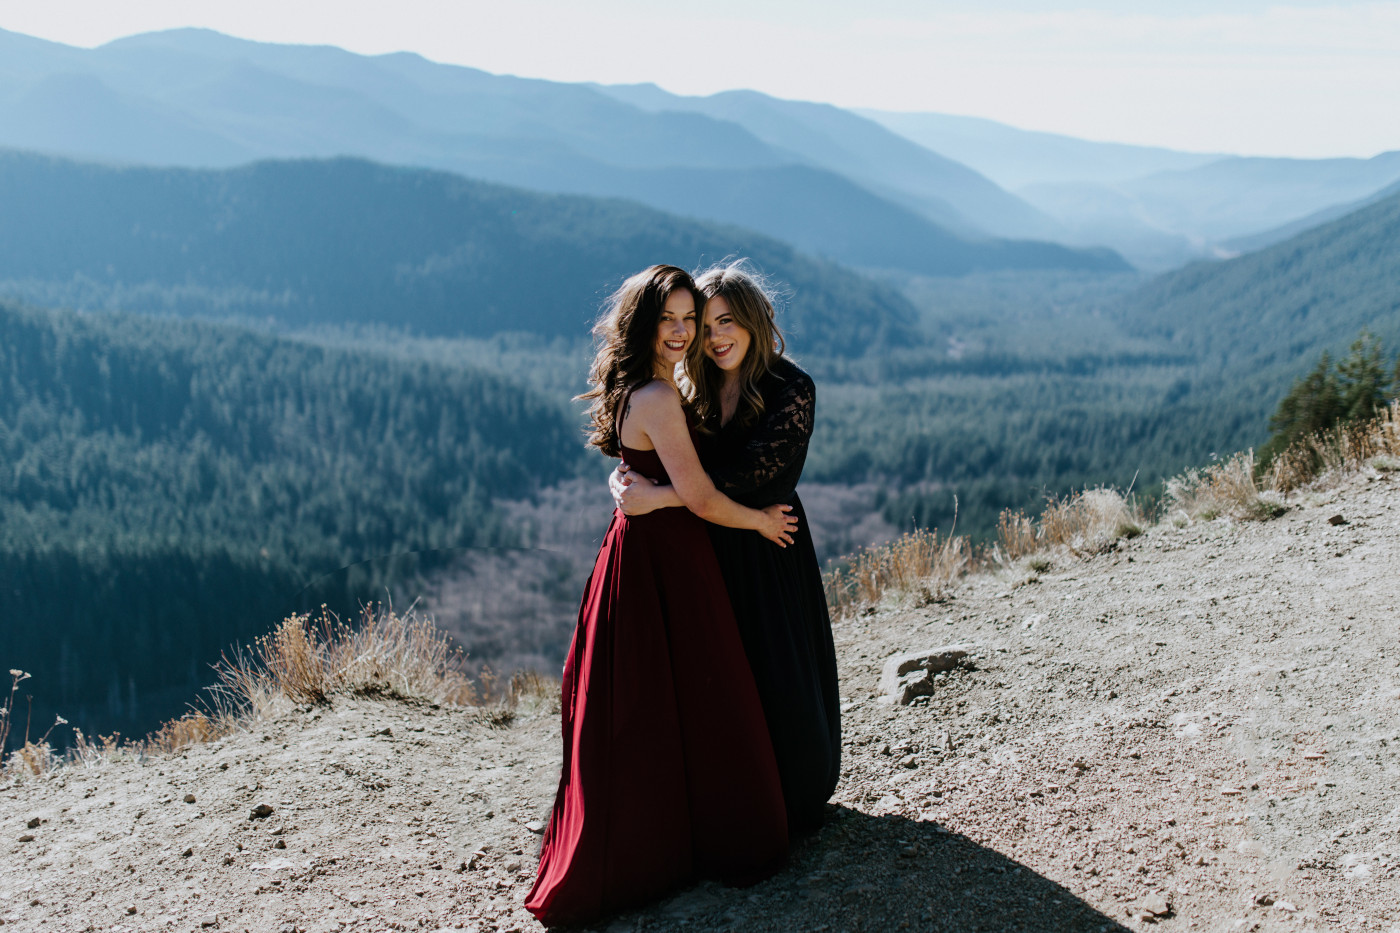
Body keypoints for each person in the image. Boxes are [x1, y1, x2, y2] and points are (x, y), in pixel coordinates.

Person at [525, 265, 793, 926]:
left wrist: (643, 493)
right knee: (696, 693)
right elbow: (699, 496)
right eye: (669, 318)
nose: (682, 332)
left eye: (689, 320)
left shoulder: (634, 384)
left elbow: (644, 472)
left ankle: (667, 839)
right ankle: (693, 842)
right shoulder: (657, 396)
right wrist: (760, 519)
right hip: (667, 556)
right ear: (643, 320)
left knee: (653, 702)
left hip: (640, 551)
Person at [611, 261, 841, 834]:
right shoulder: (696, 387)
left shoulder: (791, 387)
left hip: (767, 542)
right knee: (720, 684)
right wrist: (624, 482)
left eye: (726, 322)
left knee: (779, 674)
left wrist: (658, 497)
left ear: (756, 322)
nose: (714, 337)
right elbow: (659, 452)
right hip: (709, 548)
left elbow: (744, 474)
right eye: (705, 326)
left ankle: (795, 795)